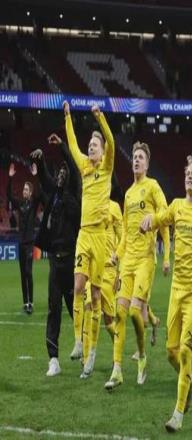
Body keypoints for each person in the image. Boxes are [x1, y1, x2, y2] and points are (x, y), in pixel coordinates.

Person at [140, 156, 192, 433]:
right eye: (187, 173)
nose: (189, 177)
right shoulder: (176, 206)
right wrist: (149, 220)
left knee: (185, 350)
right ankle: (189, 379)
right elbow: (160, 218)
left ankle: (178, 413)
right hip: (176, 291)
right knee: (171, 352)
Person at [104, 142, 169, 389]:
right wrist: (116, 256)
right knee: (119, 313)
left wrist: (154, 217)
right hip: (128, 261)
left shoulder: (152, 186)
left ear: (147, 163)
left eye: (141, 157)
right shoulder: (129, 194)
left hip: (145, 260)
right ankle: (117, 370)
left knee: (133, 312)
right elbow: (124, 236)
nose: (137, 160)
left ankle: (141, 356)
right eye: (134, 157)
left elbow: (165, 213)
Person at [63, 101, 115, 364]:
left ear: (102, 151)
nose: (91, 147)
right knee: (77, 286)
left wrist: (99, 117)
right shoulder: (84, 166)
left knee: (95, 295)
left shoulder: (106, 167)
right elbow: (72, 144)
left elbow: (112, 142)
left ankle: (92, 351)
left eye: (95, 145)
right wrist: (68, 117)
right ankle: (78, 342)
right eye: (90, 144)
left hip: (100, 238)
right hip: (84, 234)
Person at [30, 134, 81, 376]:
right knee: (54, 310)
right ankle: (53, 359)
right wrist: (40, 161)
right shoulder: (55, 194)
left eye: (63, 172)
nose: (60, 174)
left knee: (75, 308)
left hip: (72, 261)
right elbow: (44, 178)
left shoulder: (74, 195)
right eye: (58, 172)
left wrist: (61, 146)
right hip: (54, 261)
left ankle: (83, 346)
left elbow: (73, 167)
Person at [81, 176, 123, 379]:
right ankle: (87, 359)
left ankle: (117, 350)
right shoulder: (91, 204)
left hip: (108, 270)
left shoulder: (114, 208)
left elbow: (123, 238)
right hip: (92, 267)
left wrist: (119, 268)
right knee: (89, 306)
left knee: (108, 320)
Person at [7, 163, 43, 314]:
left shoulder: (33, 204)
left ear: (30, 192)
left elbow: (40, 194)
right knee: (23, 274)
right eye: (24, 190)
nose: (24, 191)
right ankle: (25, 303)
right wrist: (10, 178)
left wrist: (36, 176)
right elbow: (9, 196)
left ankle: (31, 302)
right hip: (20, 244)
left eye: (27, 189)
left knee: (28, 272)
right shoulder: (20, 204)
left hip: (29, 243)